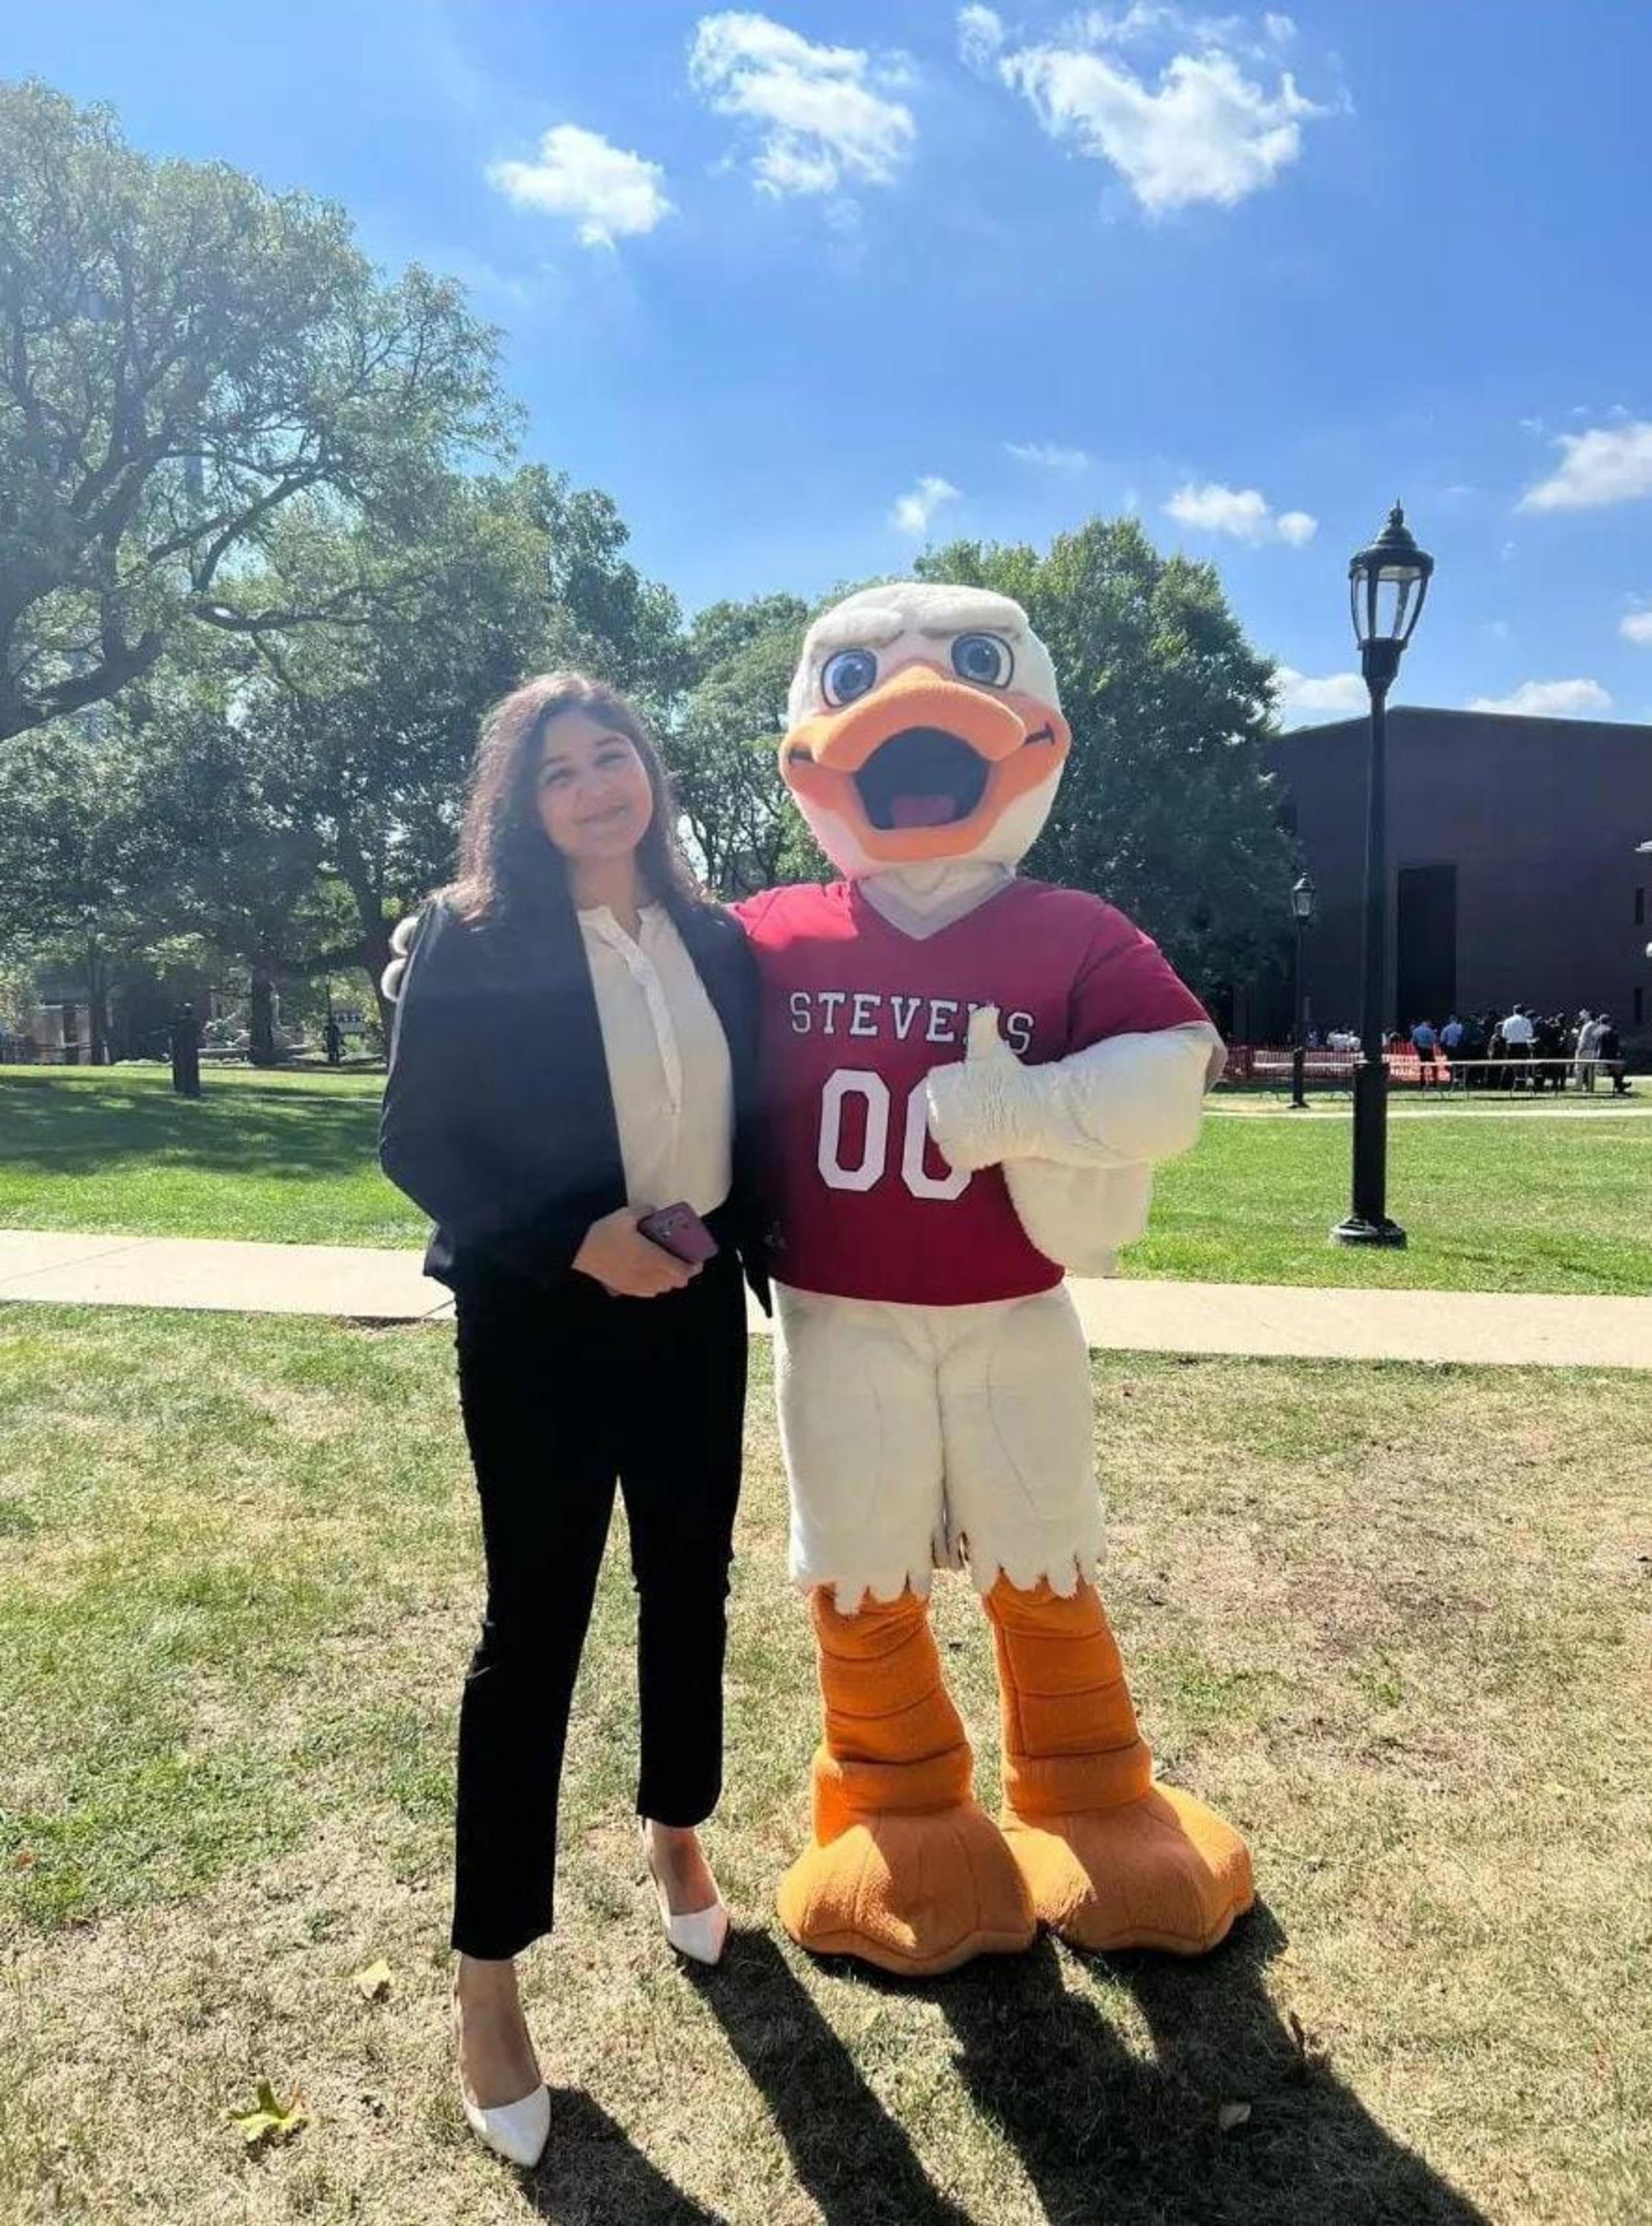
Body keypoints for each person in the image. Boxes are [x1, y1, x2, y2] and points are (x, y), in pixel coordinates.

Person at [379, 673, 769, 2170]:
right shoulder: (472, 940)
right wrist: (568, 1237)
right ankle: (489, 1975)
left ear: (651, 773)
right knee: (531, 1629)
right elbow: (417, 1138)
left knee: (691, 1584)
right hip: (543, 1324)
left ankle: (676, 1820)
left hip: (693, 1313)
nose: (597, 785)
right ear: (521, 802)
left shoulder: (715, 935)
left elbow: (763, 1121)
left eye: (615, 756)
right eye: (561, 772)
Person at [1594, 1013, 1628, 1095]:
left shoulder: (1596, 1031)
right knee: (1621, 1066)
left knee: (1618, 1067)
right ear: (1609, 1022)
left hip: (1596, 1059)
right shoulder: (1610, 1031)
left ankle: (1619, 1085)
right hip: (1607, 1060)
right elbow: (1614, 1047)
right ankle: (1619, 1086)